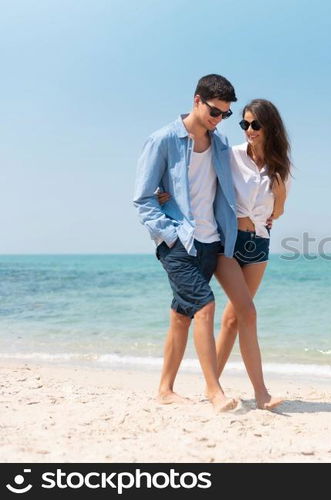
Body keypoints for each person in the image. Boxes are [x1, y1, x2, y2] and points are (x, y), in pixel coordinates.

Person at [158, 98, 291, 410]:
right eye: (244, 124)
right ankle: (261, 394)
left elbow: (278, 212)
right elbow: (197, 178)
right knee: (247, 312)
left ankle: (211, 385)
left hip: (259, 245)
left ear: (269, 126)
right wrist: (166, 195)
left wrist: (278, 193)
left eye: (255, 124)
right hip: (227, 244)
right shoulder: (229, 156)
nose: (248, 130)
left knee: (234, 319)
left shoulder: (279, 167)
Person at [133, 74, 240, 412]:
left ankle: (165, 389)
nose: (218, 119)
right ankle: (214, 391)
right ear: (197, 100)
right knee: (205, 308)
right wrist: (168, 231)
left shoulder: (221, 145)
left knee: (181, 315)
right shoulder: (163, 140)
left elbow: (233, 187)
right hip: (180, 243)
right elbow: (143, 198)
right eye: (214, 111)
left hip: (211, 243)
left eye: (224, 114)